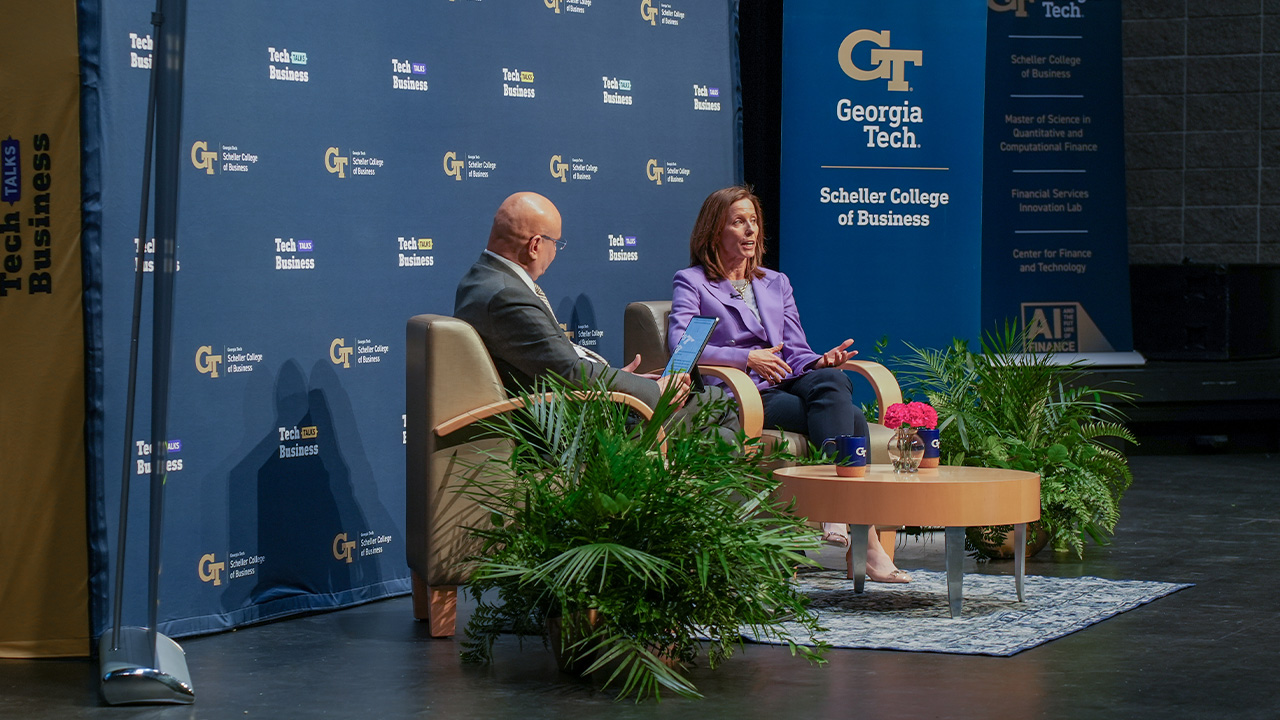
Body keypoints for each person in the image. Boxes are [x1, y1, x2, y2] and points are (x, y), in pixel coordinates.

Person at [668, 185, 910, 583]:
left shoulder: (775, 282)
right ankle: (862, 544)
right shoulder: (693, 282)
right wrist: (747, 357)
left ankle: (838, 513)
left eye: (754, 222)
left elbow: (796, 348)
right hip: (743, 393)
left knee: (832, 380)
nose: (750, 231)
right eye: (738, 222)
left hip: (788, 379)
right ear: (714, 231)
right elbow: (681, 345)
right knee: (850, 416)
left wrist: (819, 360)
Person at [455, 191, 739, 440]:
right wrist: (655, 392)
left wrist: (627, 384)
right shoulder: (506, 295)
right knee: (717, 403)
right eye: (556, 243)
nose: (556, 252)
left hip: (574, 407)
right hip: (572, 430)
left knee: (720, 436)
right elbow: (570, 372)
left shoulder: (482, 279)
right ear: (535, 246)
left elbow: (555, 364)